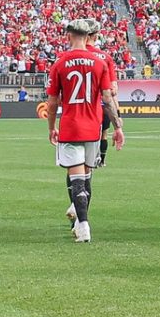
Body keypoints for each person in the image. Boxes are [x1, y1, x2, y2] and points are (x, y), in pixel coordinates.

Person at [45, 19, 121, 244]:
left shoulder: (60, 63)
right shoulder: (100, 63)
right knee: (87, 178)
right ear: (89, 36)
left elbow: (52, 102)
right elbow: (108, 99)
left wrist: (51, 127)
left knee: (75, 178)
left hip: (70, 126)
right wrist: (117, 126)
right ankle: (81, 222)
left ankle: (83, 225)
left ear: (69, 35)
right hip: (93, 126)